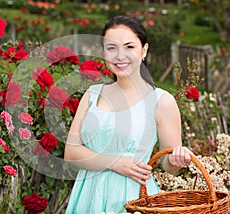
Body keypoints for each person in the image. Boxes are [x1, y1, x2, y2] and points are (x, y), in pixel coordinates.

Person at [64, 15, 192, 213]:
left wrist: (175, 161)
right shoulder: (93, 94)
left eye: (129, 47)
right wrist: (114, 162)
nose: (120, 56)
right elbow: (71, 152)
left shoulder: (161, 101)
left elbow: (167, 164)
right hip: (87, 196)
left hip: (131, 198)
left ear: (144, 50)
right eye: (111, 48)